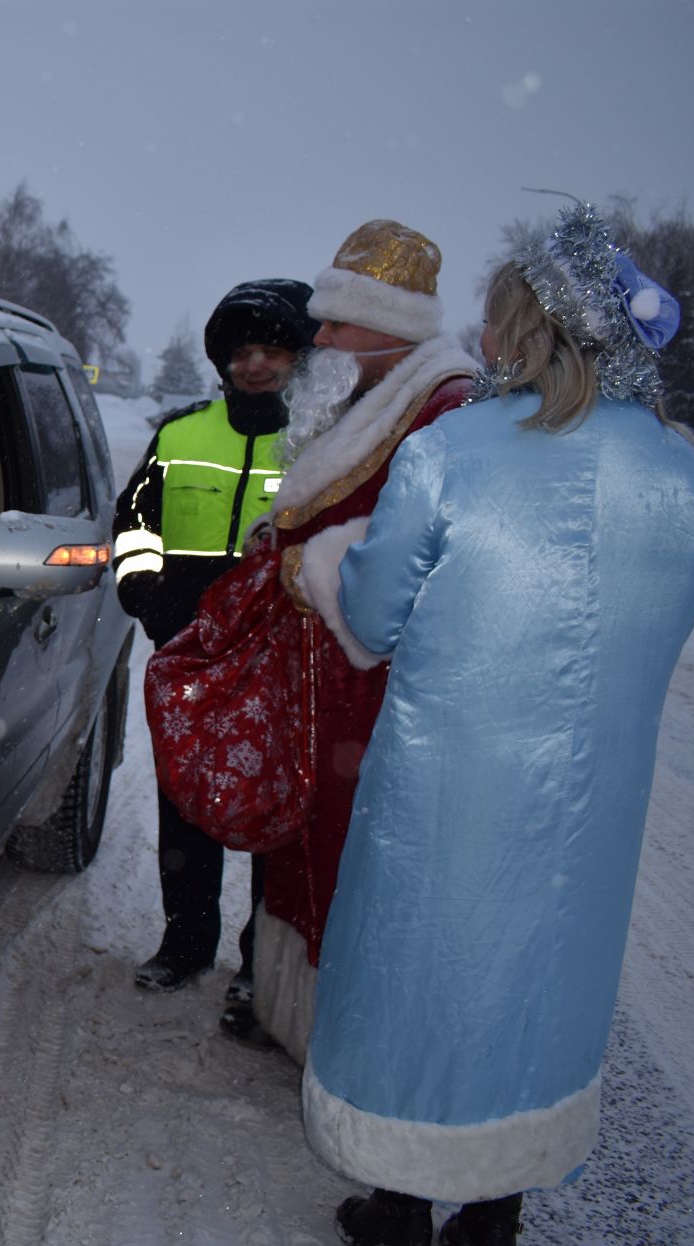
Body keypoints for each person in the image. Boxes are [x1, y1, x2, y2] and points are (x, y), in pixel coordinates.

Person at [297, 201, 694, 1246]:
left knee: (422, 971)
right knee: (538, 978)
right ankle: (495, 1214)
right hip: (593, 800)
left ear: (522, 329)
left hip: (449, 784)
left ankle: (399, 1198)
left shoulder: (451, 453)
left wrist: (329, 562)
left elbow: (375, 618)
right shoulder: (681, 475)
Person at [248, 221, 478, 1062]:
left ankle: (344, 1040)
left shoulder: (443, 407)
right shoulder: (381, 393)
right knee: (309, 844)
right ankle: (298, 1017)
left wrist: (307, 561)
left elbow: (410, 551)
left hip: (373, 689)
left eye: (339, 324)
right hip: (333, 686)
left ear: (390, 328)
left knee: (349, 859)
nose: (322, 338)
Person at [113, 279, 315, 1046]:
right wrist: (153, 606)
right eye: (241, 351)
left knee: (271, 811)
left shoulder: (320, 443)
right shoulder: (180, 435)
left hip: (277, 663)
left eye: (271, 351)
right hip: (191, 654)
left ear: (297, 358)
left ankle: (259, 969)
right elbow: (132, 526)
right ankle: (185, 943)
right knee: (186, 801)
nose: (254, 365)